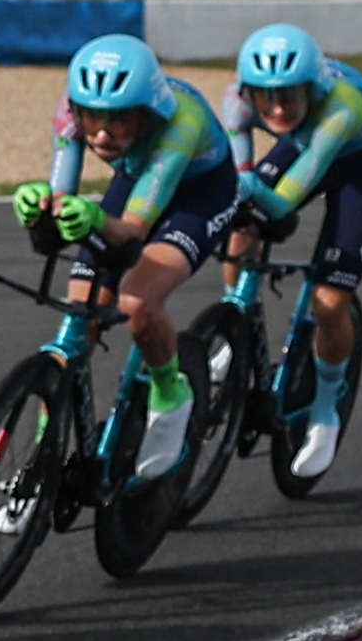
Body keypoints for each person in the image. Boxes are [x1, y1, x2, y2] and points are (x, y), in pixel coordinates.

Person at [13, 33, 233, 484]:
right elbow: (60, 196)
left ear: (148, 114)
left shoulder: (178, 127)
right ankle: (44, 450)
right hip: (139, 179)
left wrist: (93, 217)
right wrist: (38, 206)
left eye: (120, 121)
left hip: (199, 194)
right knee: (79, 316)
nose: (101, 134)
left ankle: (172, 394)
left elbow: (131, 231)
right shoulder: (69, 111)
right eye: (93, 118)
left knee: (136, 302)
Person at [217, 23, 362, 477]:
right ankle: (236, 326)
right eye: (267, 97)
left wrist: (252, 193)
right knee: (243, 231)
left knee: (329, 303)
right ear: (248, 92)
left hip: (356, 164)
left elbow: (285, 198)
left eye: (291, 96)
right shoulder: (235, 101)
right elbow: (240, 179)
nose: (277, 108)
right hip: (302, 146)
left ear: (312, 89)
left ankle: (325, 411)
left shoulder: (342, 106)